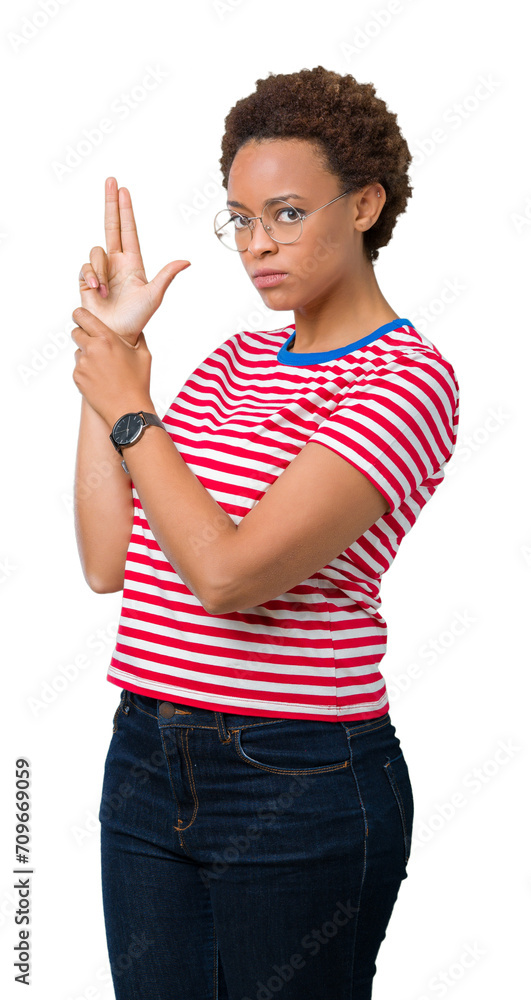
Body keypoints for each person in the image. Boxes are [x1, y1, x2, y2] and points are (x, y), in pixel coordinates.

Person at [72, 66, 460, 1000]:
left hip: (295, 777)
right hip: (145, 758)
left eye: (285, 213)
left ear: (364, 203)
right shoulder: (236, 360)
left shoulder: (405, 383)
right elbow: (106, 559)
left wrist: (134, 411)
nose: (257, 245)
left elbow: (227, 576)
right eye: (240, 219)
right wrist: (112, 352)